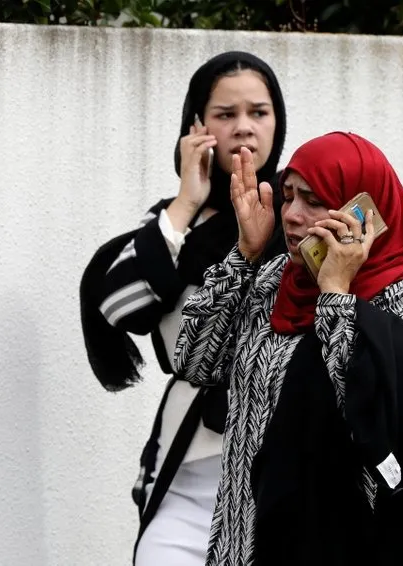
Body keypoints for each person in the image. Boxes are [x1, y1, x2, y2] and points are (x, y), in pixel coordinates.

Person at [173, 132, 403, 566]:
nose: (292, 215)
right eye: (288, 197)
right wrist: (245, 254)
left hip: (346, 544)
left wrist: (336, 295)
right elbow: (195, 361)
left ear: (363, 210)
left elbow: (381, 419)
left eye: (314, 200)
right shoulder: (275, 280)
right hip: (244, 540)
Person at [79, 51, 288, 565]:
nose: (244, 128)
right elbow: (118, 305)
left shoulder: (301, 212)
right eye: (225, 114)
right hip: (187, 475)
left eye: (258, 113)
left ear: (277, 122)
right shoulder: (174, 227)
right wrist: (186, 201)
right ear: (196, 126)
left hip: (283, 467)